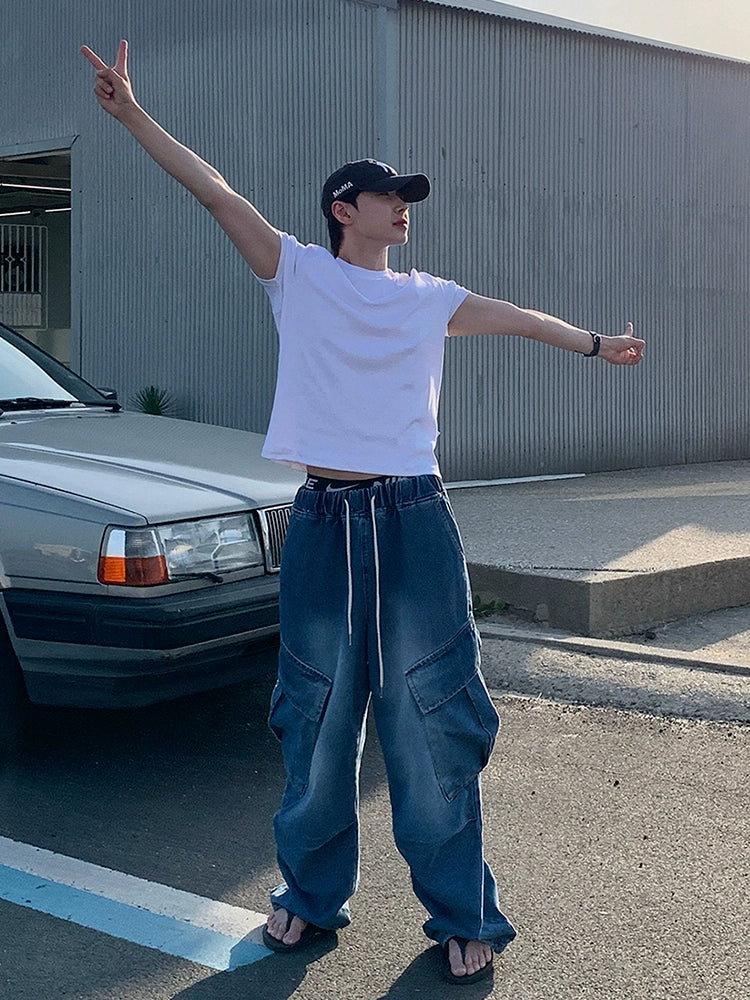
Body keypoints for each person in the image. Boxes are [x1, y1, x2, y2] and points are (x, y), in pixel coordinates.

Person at [81, 40, 645, 985]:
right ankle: (308, 896)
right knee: (316, 714)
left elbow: (516, 316)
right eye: (388, 196)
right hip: (324, 521)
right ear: (344, 209)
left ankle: (463, 912)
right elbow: (216, 192)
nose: (403, 207)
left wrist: (596, 344)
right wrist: (132, 113)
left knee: (434, 718)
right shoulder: (297, 271)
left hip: (415, 522)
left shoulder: (429, 298)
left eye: (407, 198)